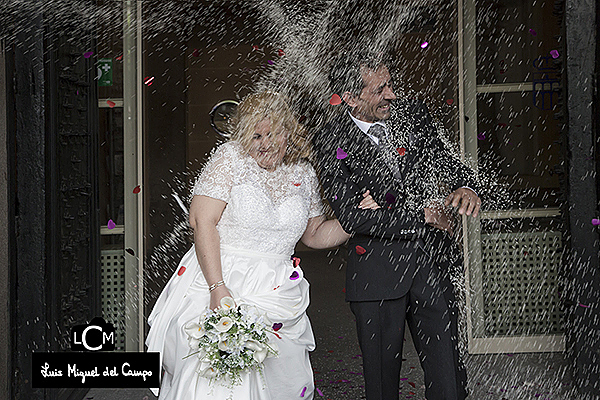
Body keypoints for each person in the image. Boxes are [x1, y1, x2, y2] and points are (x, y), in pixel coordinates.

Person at [146, 91, 380, 400]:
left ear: (288, 132)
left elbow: (313, 234)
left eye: (273, 133)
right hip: (223, 275)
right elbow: (202, 222)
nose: (265, 142)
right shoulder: (230, 159)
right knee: (217, 383)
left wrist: (356, 220)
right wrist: (218, 288)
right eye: (256, 135)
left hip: (277, 287)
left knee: (277, 379)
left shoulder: (303, 173)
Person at [312, 51, 482, 400]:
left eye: (390, 84)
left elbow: (443, 162)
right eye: (380, 89)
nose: (391, 94)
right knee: (381, 387)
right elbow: (353, 216)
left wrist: (464, 185)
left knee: (449, 379)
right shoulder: (330, 139)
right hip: (375, 278)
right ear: (350, 97)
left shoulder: (413, 116)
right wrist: (422, 214)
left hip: (430, 267)